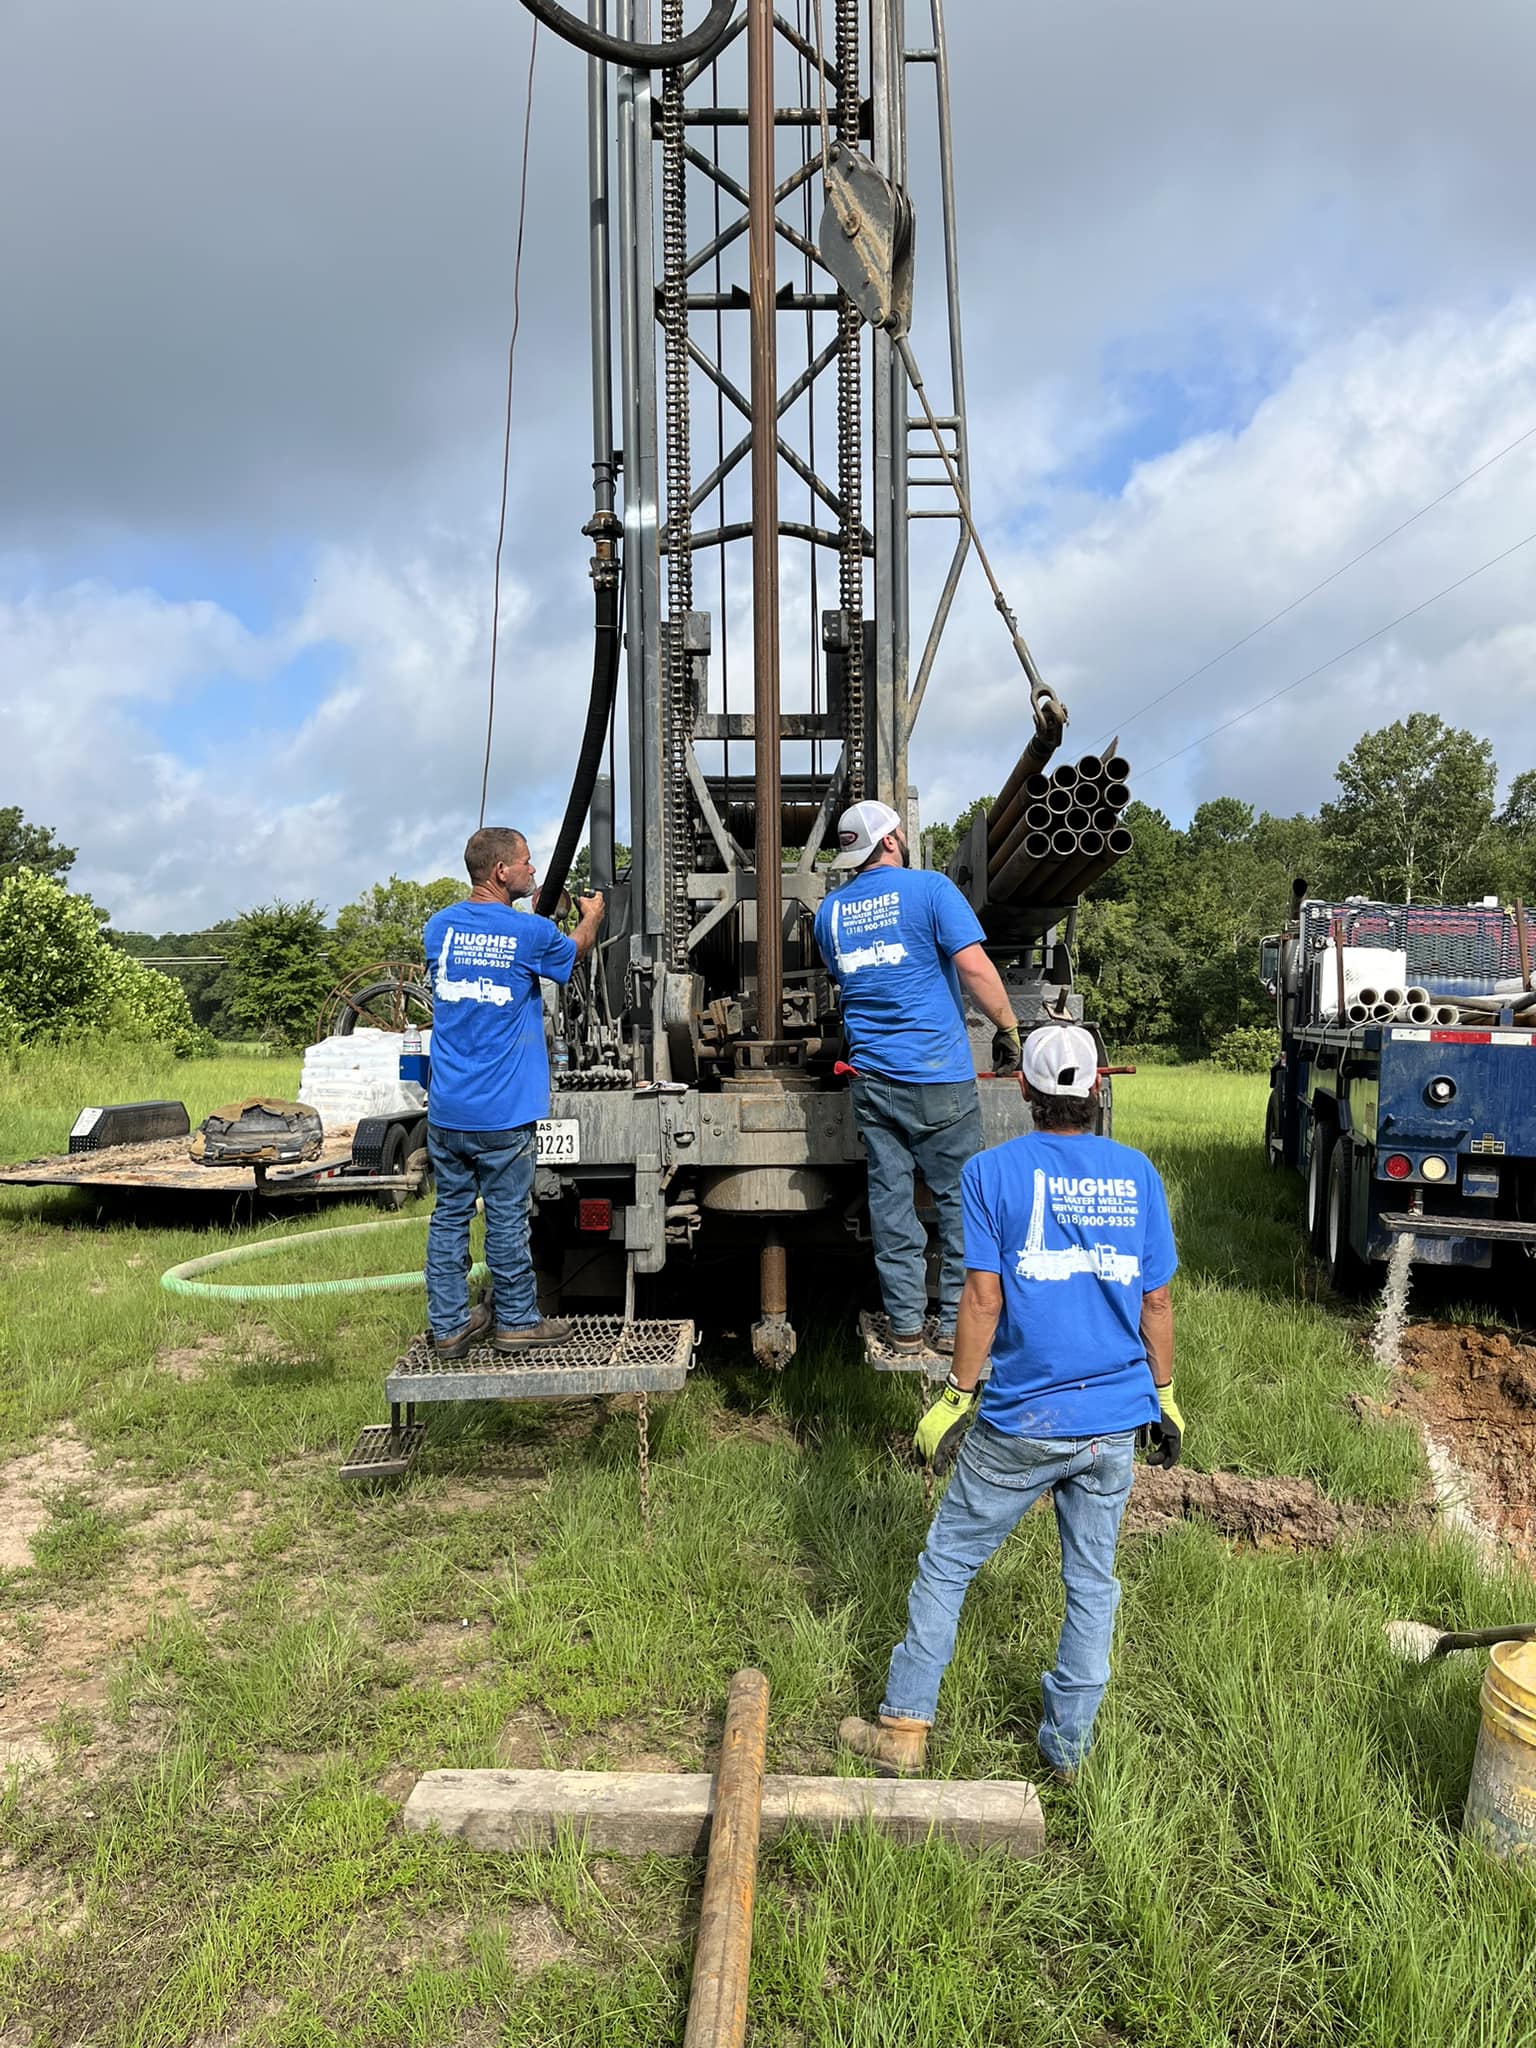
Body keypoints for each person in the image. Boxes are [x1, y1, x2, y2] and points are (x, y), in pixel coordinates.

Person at [838, 1022, 1184, 1781]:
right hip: (1113, 1424)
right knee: (1092, 1583)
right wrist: (1162, 1396)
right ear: (1097, 1088)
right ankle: (1067, 1751)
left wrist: (959, 1395)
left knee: (948, 1562)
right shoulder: (1140, 1175)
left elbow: (982, 1299)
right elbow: (1155, 1303)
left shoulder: (991, 1172)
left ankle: (903, 1727)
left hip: (1023, 1418)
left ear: (1023, 1091)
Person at [812, 798, 1022, 1354]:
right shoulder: (931, 890)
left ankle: (904, 1326)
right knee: (960, 1205)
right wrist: (1007, 1029)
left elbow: (852, 978)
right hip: (937, 1077)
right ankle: (954, 1326)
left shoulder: (828, 913)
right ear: (889, 841)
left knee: (891, 1205)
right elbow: (975, 967)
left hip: (873, 1082)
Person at [422, 826, 605, 1358]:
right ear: (501, 871)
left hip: (448, 1109)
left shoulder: (439, 928)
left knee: (450, 1216)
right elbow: (573, 954)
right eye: (526, 862)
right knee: (505, 1217)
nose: (532, 870)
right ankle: (517, 1321)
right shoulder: (528, 934)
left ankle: (450, 1326)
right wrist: (589, 917)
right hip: (503, 1113)